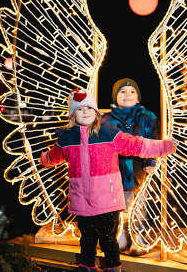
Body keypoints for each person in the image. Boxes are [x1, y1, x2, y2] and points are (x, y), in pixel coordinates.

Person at [40, 89, 176, 272]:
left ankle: (113, 267)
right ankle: (86, 266)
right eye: (80, 109)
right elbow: (55, 155)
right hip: (81, 199)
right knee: (87, 238)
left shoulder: (107, 132)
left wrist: (161, 147)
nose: (85, 112)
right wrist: (46, 159)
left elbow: (134, 144)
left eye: (89, 108)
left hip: (107, 199)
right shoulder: (67, 137)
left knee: (108, 239)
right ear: (73, 114)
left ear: (96, 112)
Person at [102, 78, 159, 255]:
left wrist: (151, 161)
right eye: (122, 92)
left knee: (138, 204)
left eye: (132, 92)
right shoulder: (106, 119)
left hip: (138, 166)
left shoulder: (147, 117)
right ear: (115, 97)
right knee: (117, 204)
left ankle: (139, 237)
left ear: (138, 97)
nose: (127, 95)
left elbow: (153, 140)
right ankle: (121, 236)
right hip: (114, 166)